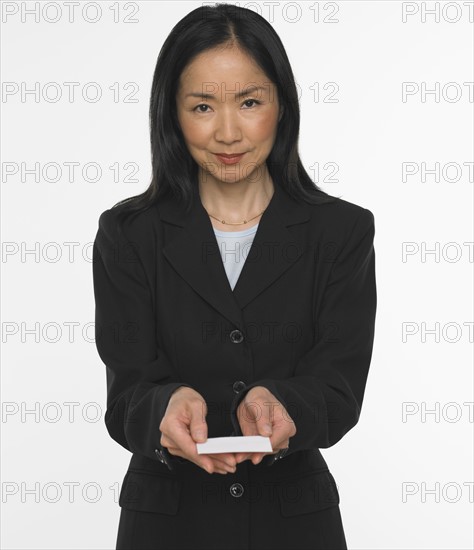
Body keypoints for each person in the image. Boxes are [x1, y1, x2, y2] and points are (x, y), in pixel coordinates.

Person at [92, 4, 377, 549]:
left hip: (294, 522)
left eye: (250, 102)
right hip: (166, 523)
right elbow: (125, 395)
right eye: (202, 105)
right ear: (172, 114)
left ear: (281, 105)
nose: (227, 132)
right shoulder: (129, 233)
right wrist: (165, 405)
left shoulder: (341, 231)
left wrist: (283, 402)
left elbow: (340, 388)